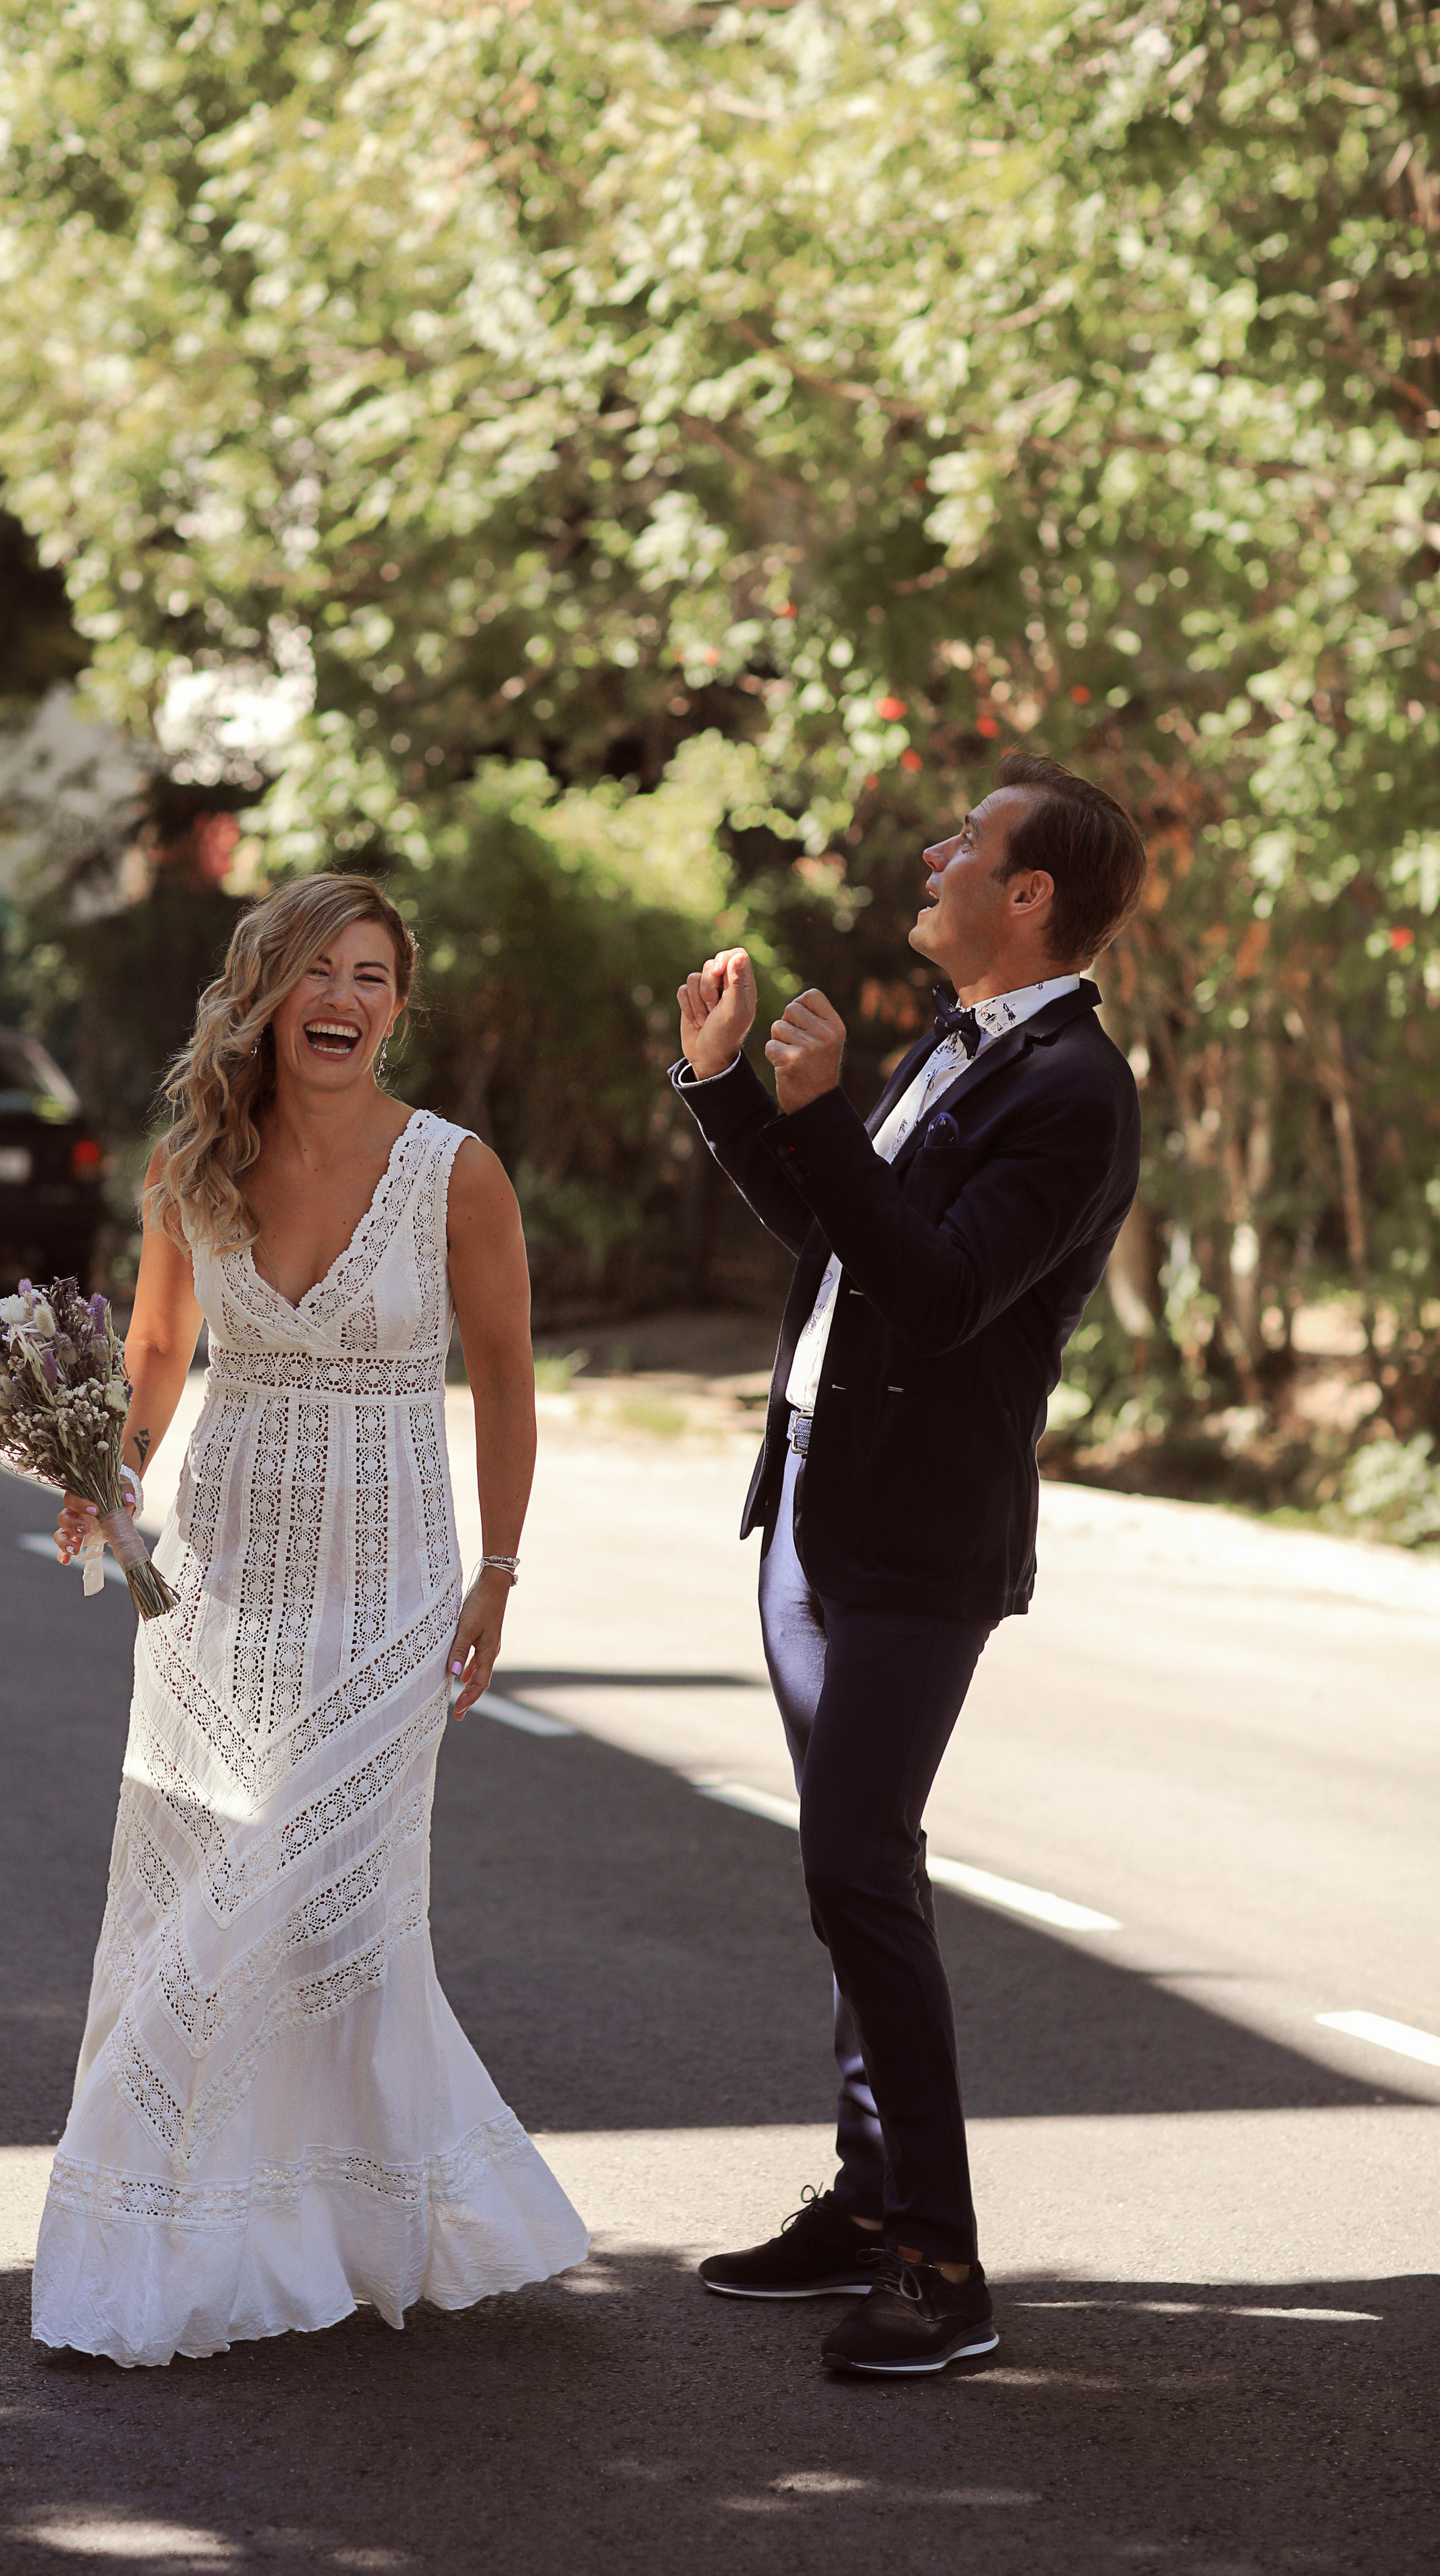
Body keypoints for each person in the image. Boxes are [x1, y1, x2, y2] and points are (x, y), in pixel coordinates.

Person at [33, 872, 588, 2366]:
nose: (343, 999)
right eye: (316, 973)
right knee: (222, 1873)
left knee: (312, 1895)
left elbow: (507, 1379)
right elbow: (156, 1344)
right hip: (215, 1586)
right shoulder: (191, 1159)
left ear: (397, 1009)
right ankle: (257, 2216)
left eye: (373, 976)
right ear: (265, 993)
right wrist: (109, 1468)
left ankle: (262, 2214)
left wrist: (500, 1573)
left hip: (394, 1590)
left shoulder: (455, 1173)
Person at [672, 751, 1145, 2377]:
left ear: (1029, 898)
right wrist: (734, 1089)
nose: (936, 854)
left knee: (855, 1868)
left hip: (916, 1539)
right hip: (810, 1506)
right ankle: (868, 2204)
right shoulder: (947, 1049)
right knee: (851, 1865)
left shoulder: (1074, 1092)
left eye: (970, 842)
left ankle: (939, 2270)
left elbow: (937, 1291)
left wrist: (814, 1120)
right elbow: (835, 1242)